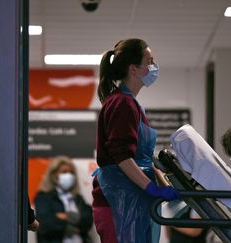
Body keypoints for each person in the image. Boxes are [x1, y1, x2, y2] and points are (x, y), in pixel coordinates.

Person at [92, 38, 181, 243]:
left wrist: (164, 184)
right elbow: (122, 156)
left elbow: (141, 158)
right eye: (149, 61)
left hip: (129, 198)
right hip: (119, 201)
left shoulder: (129, 103)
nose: (154, 66)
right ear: (134, 68)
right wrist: (152, 188)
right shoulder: (122, 104)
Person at [35, 156, 93, 243]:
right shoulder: (43, 197)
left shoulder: (78, 199)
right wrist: (74, 219)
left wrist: (63, 216)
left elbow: (88, 220)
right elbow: (46, 225)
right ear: (54, 175)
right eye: (64, 172)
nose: (69, 175)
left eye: (71, 172)